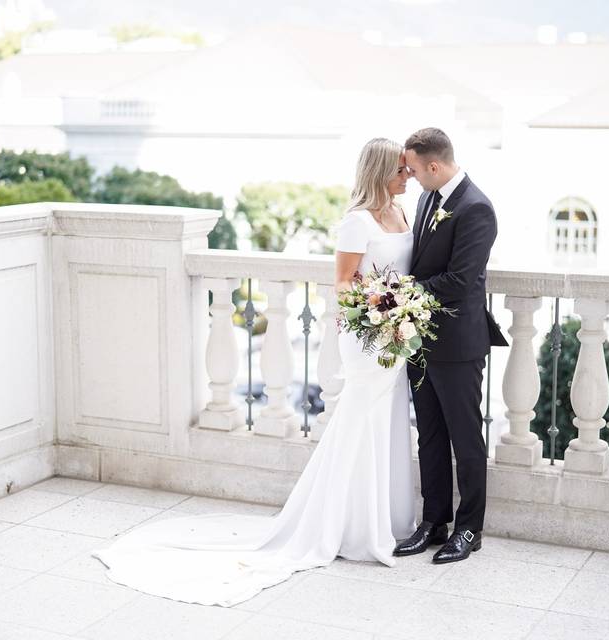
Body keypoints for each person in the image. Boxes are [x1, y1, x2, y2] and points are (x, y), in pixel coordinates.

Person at [93, 138, 417, 607]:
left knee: (386, 422)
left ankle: (386, 518)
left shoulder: (403, 216)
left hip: (396, 336)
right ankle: (350, 526)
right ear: (380, 172)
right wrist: (381, 306)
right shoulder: (357, 221)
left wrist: (403, 310)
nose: (407, 177)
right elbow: (344, 283)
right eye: (401, 171)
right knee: (359, 422)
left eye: (409, 170)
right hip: (367, 336)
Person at [393, 127, 504, 564]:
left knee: (465, 438)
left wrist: (400, 294)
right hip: (419, 339)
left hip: (457, 343)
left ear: (434, 166)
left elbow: (459, 281)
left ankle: (469, 529)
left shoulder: (477, 208)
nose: (412, 177)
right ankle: (433, 522)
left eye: (416, 170)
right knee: (430, 437)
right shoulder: (425, 200)